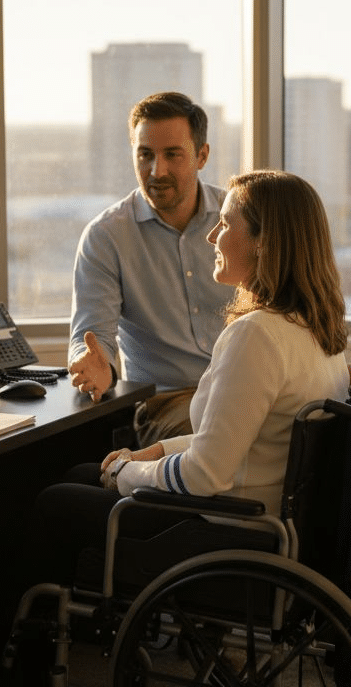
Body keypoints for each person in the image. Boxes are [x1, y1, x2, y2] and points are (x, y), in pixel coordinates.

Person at [27, 170, 351, 590]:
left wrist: (128, 473)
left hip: (231, 528)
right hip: (267, 515)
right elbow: (234, 439)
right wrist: (155, 452)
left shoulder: (256, 335)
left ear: (263, 242)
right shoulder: (314, 327)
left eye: (227, 223)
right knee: (81, 472)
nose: (213, 236)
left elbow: (205, 475)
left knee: (57, 501)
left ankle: (33, 643)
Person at [66, 91, 234, 445]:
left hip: (246, 388)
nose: (157, 171)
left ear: (202, 156)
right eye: (145, 155)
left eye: (172, 154)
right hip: (168, 404)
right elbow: (94, 337)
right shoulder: (106, 236)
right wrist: (97, 366)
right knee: (226, 439)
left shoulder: (238, 219)